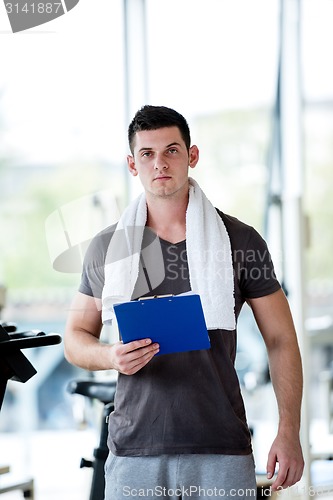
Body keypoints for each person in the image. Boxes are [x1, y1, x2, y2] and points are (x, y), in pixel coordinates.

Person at [64, 105, 304, 499]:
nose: (160, 163)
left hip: (220, 448)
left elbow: (281, 339)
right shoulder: (108, 247)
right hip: (133, 451)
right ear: (132, 163)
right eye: (147, 154)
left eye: (172, 150)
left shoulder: (240, 242)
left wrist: (289, 430)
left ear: (192, 156)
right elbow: (75, 337)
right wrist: (111, 357)